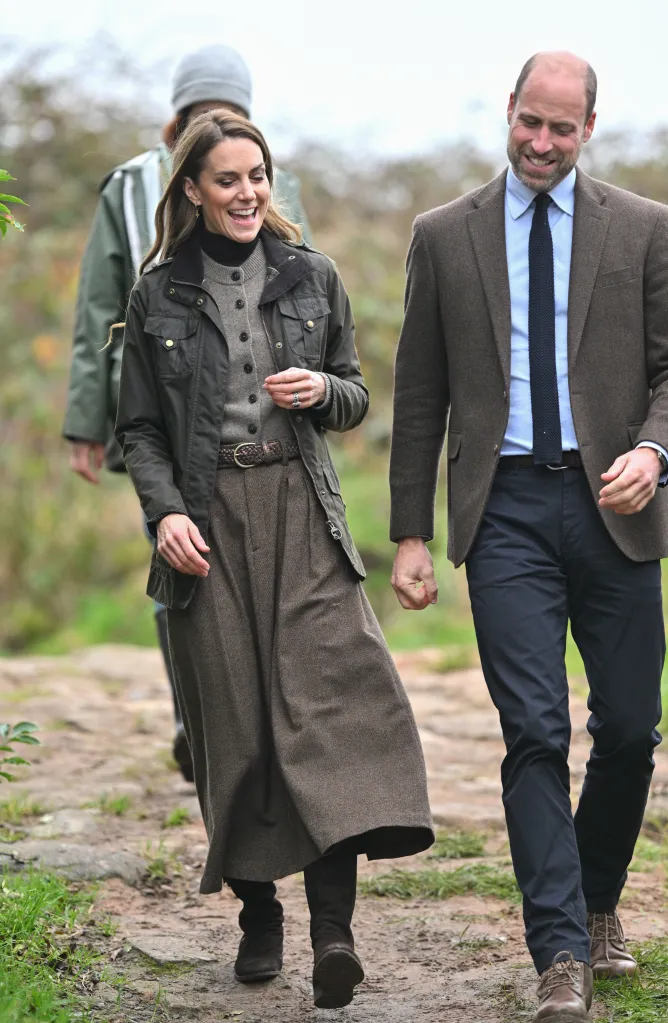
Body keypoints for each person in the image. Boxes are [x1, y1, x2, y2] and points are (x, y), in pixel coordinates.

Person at [389, 51, 668, 1023]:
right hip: (506, 514)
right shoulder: (445, 236)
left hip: (616, 510)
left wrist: (655, 453)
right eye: (529, 122)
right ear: (510, 111)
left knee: (630, 731)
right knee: (535, 731)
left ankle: (599, 897)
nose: (540, 143)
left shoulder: (643, 229)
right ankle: (561, 950)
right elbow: (420, 398)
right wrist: (410, 533)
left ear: (590, 130)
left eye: (560, 129)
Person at [114, 110, 434, 1009]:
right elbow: (136, 427)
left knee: (330, 712)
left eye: (257, 174)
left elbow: (356, 393)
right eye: (226, 179)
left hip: (302, 508)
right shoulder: (156, 295)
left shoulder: (312, 275)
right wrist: (166, 514)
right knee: (237, 728)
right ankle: (261, 912)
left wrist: (324, 390)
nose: (247, 191)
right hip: (207, 523)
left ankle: (334, 930)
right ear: (192, 191)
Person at [62, 44, 310, 782]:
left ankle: (267, 725)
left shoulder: (274, 181)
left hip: (251, 419)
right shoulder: (128, 187)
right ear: (177, 121)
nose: (217, 124)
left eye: (229, 112)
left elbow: (301, 288)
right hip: (156, 410)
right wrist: (87, 419)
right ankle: (193, 717)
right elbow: (96, 303)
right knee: (182, 568)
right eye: (203, 111)